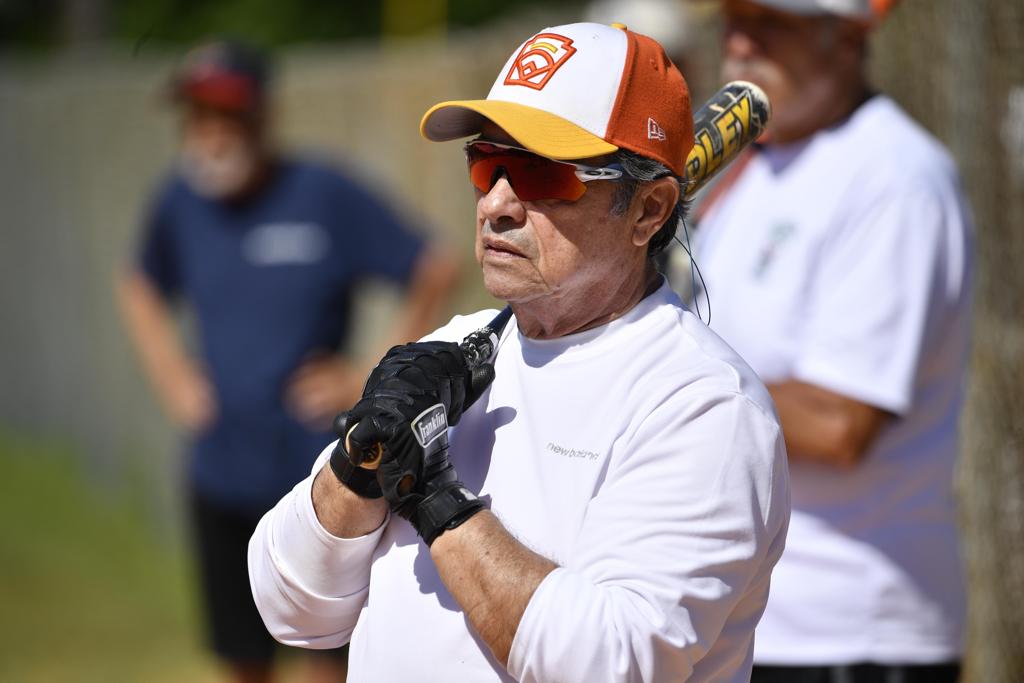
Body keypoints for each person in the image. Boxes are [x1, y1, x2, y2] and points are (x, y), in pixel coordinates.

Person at [248, 22, 790, 682]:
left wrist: (435, 500)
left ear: (649, 210)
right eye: (487, 163)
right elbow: (289, 606)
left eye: (540, 172)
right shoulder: (450, 347)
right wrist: (360, 466)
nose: (496, 203)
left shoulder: (703, 404)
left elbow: (609, 664)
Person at [117, 40, 460, 683]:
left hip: (318, 478)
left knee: (325, 659)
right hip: (221, 470)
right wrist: (175, 378)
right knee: (243, 660)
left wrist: (365, 377)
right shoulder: (180, 202)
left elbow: (434, 266)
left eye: (224, 114)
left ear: (261, 115)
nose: (209, 133)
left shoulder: (321, 193)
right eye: (197, 115)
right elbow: (139, 283)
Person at [687, 1, 974, 681]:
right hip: (750, 626)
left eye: (770, 24)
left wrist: (651, 377)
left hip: (846, 635)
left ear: (846, 36)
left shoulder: (896, 177)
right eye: (733, 20)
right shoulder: (758, 164)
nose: (740, 45)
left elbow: (839, 420)